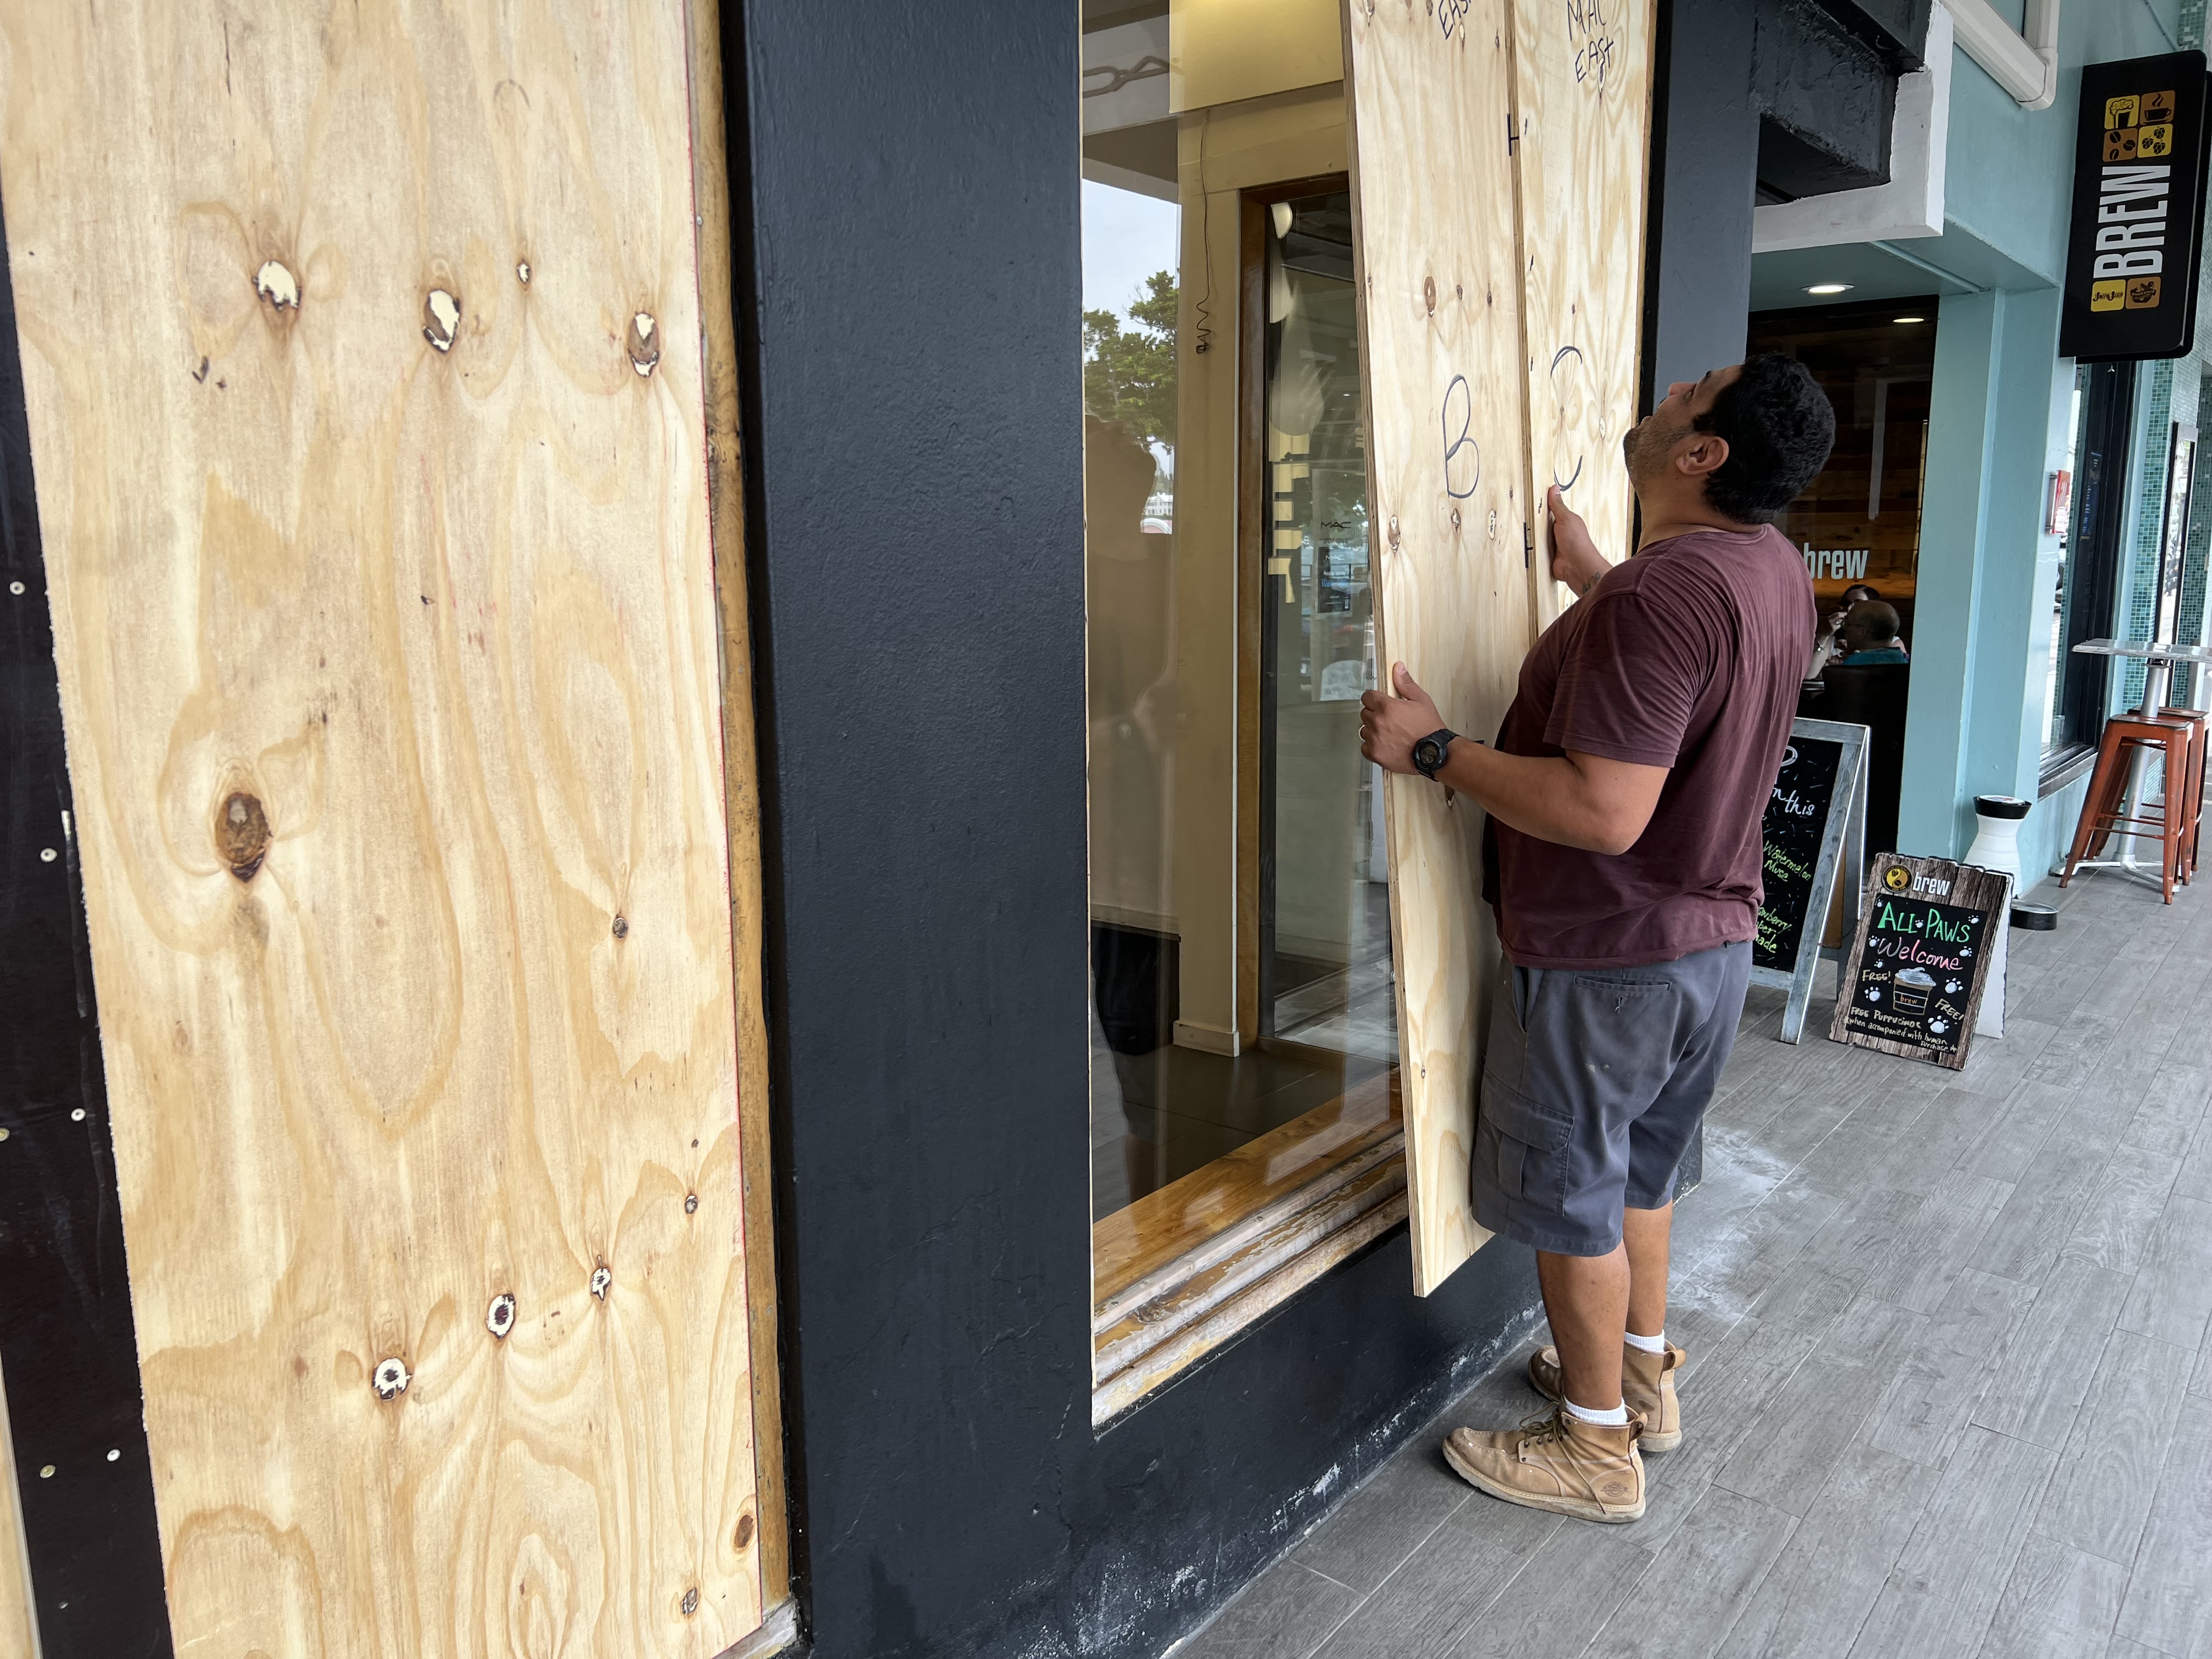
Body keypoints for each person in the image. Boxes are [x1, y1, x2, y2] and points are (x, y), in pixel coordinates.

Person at [1359, 354, 1833, 1523]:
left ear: (1701, 454)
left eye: (1695, 392)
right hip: (1708, 950)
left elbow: (1604, 810)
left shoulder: (1658, 597)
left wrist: (1432, 750)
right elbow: (1682, 674)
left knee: (1573, 1202)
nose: (1671, 388)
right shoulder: (1766, 569)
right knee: (1642, 1178)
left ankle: (1592, 1448)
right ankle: (1641, 1376)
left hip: (1609, 958)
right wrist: (1595, 581)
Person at [1807, 582, 1880, 677]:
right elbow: (1809, 677)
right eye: (1846, 604)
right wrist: (1824, 635)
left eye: (1857, 604)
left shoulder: (1889, 642)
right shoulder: (1832, 639)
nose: (1849, 609)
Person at [1832, 599, 1909, 664]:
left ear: (1861, 632)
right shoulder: (1903, 660)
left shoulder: (1855, 663)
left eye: (1847, 623)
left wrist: (1838, 671)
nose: (1844, 628)